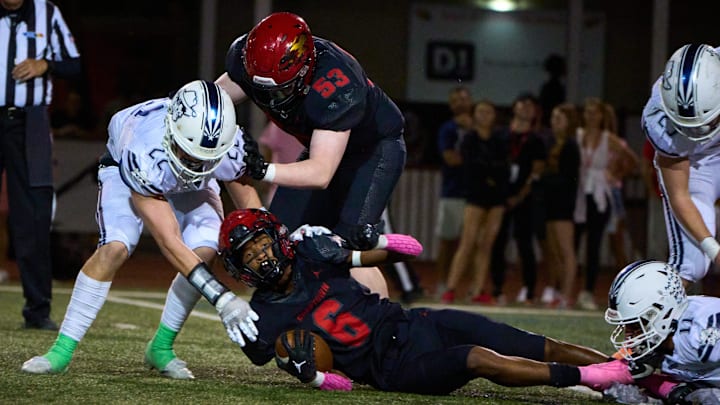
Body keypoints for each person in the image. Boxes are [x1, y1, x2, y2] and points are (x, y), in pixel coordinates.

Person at [217, 208, 636, 394]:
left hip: (413, 322)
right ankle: (590, 380)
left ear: (278, 240)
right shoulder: (262, 316)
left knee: (522, 339)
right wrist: (316, 378)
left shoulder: (312, 252)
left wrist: (375, 241)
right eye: (249, 256)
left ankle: (626, 369)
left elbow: (406, 252)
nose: (261, 258)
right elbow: (287, 358)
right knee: (475, 357)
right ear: (239, 268)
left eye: (261, 246)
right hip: (392, 367)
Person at [21, 80, 262, 377]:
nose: (195, 164)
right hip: (125, 172)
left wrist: (264, 234)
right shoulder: (144, 150)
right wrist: (222, 297)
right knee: (116, 246)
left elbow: (245, 193)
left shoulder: (226, 143)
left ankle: (161, 347)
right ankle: (60, 351)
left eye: (205, 159)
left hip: (185, 179)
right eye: (189, 155)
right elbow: (169, 241)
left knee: (206, 246)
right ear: (173, 133)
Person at [215, 11, 406, 298]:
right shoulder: (247, 62)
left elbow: (320, 173)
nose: (268, 101)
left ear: (305, 69)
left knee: (347, 247)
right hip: (324, 150)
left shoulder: (337, 84)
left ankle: (383, 326)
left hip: (371, 153)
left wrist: (261, 169)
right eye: (259, 89)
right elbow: (210, 102)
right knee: (280, 239)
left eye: (279, 90)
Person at [1, 0, 81, 330]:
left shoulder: (47, 12)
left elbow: (74, 65)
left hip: (29, 122)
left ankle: (37, 309)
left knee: (33, 214)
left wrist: (45, 64)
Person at [642, 43, 720, 289]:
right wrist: (715, 250)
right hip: (697, 163)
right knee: (693, 261)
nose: (696, 132)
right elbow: (680, 195)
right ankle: (655, 322)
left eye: (704, 123)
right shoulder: (658, 119)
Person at [603, 260, 720, 404]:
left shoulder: (704, 328)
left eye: (634, 325)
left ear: (663, 312)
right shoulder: (667, 336)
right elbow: (612, 365)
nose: (629, 336)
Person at [441, 101, 508, 304]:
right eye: (480, 111)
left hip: (496, 196)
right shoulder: (469, 138)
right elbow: (471, 165)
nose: (484, 115)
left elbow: (503, 166)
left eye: (488, 112)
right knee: (468, 241)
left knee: (486, 244)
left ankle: (477, 289)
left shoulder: (499, 139)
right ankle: (451, 287)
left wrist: (490, 173)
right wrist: (489, 173)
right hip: (475, 194)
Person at [573, 97, 634, 310]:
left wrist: (615, 174)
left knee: (594, 243)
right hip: (580, 192)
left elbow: (630, 160)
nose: (590, 116)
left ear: (601, 115)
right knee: (572, 242)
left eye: (594, 112)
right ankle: (567, 289)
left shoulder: (609, 138)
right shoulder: (578, 135)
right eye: (587, 111)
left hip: (600, 193)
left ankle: (588, 291)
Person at [490, 93, 547, 305]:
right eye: (522, 104)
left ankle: (530, 291)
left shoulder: (537, 139)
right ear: (514, 107)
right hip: (500, 197)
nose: (525, 108)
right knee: (498, 243)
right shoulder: (501, 135)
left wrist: (520, 195)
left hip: (526, 199)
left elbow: (537, 171)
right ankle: (497, 289)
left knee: (525, 245)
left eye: (530, 105)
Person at [539, 103, 581, 309]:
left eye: (559, 118)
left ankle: (567, 293)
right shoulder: (550, 142)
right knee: (553, 251)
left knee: (566, 250)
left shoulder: (571, 145)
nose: (555, 122)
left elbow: (569, 177)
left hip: (563, 203)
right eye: (553, 117)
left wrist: (545, 178)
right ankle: (556, 289)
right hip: (550, 201)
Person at [434, 86, 472, 297]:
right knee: (447, 242)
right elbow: (450, 158)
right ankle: (441, 284)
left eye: (464, 99)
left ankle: (470, 289)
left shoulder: (479, 128)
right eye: (456, 100)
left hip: (475, 195)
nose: (461, 103)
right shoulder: (447, 129)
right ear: (451, 105)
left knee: (471, 245)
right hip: (452, 192)